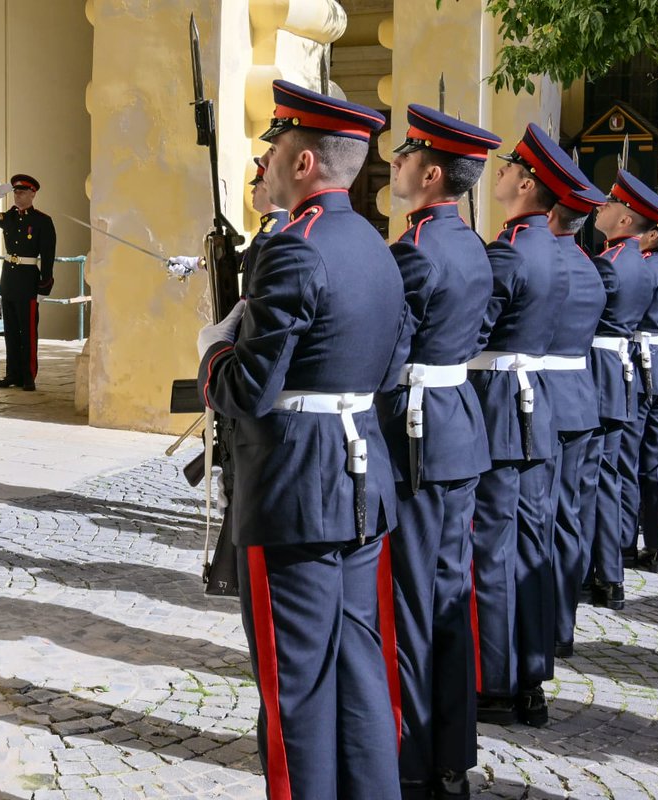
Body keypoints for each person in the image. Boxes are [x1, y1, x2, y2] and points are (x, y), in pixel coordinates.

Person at [197, 79, 403, 800]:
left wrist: (213, 349)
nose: (269, 162)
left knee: (296, 689)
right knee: (358, 671)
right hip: (362, 483)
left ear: (306, 162)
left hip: (295, 490)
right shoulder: (378, 248)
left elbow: (248, 389)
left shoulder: (293, 250)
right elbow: (393, 366)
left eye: (276, 148)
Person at [374, 104, 500, 799]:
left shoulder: (413, 252)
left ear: (429, 172)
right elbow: (480, 328)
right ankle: (453, 750)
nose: (391, 167)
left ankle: (415, 756)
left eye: (401, 157)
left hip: (418, 439)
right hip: (458, 430)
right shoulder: (473, 246)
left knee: (413, 602)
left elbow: (387, 355)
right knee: (452, 596)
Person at [469, 123, 569, 728]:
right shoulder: (553, 250)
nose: (498, 173)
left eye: (507, 168)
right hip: (534, 409)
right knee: (532, 545)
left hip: (502, 407)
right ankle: (530, 674)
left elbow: (470, 336)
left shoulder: (508, 253)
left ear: (526, 184)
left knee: (493, 549)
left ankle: (497, 681)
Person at [582, 174, 658, 610]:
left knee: (595, 481)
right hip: (619, 375)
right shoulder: (638, 261)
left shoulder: (609, 264)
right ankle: (609, 575)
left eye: (609, 204)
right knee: (610, 478)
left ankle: (599, 574)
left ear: (625, 217)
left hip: (599, 374)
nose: (600, 208)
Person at [542, 175, 607, 661]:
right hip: (582, 400)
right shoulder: (589, 265)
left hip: (544, 403)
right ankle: (562, 623)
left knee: (540, 524)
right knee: (569, 519)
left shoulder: (541, 260)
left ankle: (542, 625)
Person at [614, 172, 658, 576]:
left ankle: (623, 543)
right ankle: (657, 545)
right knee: (656, 462)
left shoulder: (640, 269)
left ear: (655, 236)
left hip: (639, 369)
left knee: (628, 461)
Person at [0, 174, 56, 391]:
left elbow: (48, 257)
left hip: (28, 282)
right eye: (15, 192)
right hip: (9, 281)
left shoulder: (42, 221)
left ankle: (28, 376)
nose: (18, 195)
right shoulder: (9, 218)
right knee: (11, 332)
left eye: (22, 192)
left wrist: (44, 285)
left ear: (33, 194)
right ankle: (12, 373)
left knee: (28, 332)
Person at [166, 157, 289, 288]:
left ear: (267, 186)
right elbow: (243, 261)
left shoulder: (269, 236)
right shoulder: (278, 227)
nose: (252, 191)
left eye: (256, 185)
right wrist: (197, 263)